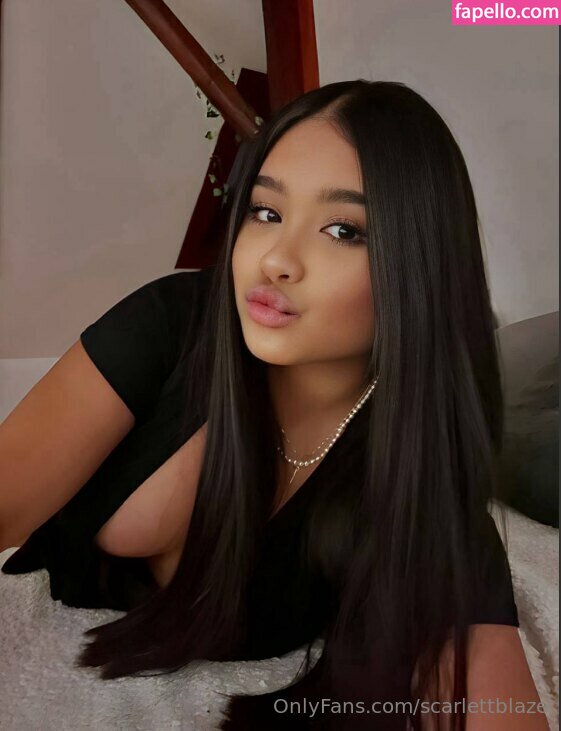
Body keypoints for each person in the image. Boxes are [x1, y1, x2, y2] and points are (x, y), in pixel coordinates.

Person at [0, 80, 548, 730]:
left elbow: (491, 701)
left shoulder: (415, 477)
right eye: (264, 212)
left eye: (342, 230)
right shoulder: (171, 326)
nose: (277, 260)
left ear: (420, 267)